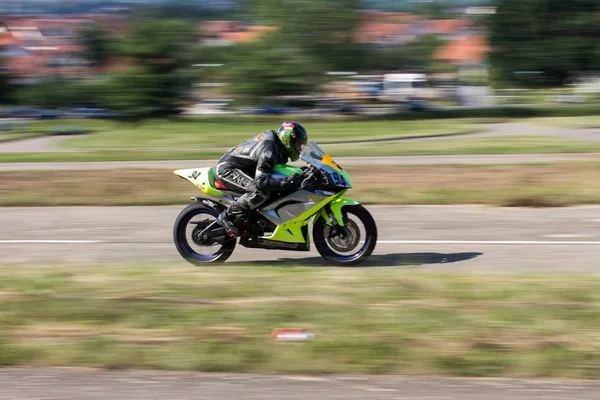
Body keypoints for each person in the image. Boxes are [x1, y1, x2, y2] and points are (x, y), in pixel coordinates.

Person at [216, 121, 309, 236]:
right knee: (260, 192)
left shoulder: (279, 148)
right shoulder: (269, 150)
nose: (299, 148)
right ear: (289, 139)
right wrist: (286, 182)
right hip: (228, 170)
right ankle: (226, 216)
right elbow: (261, 182)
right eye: (298, 144)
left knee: (276, 188)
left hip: (246, 169)